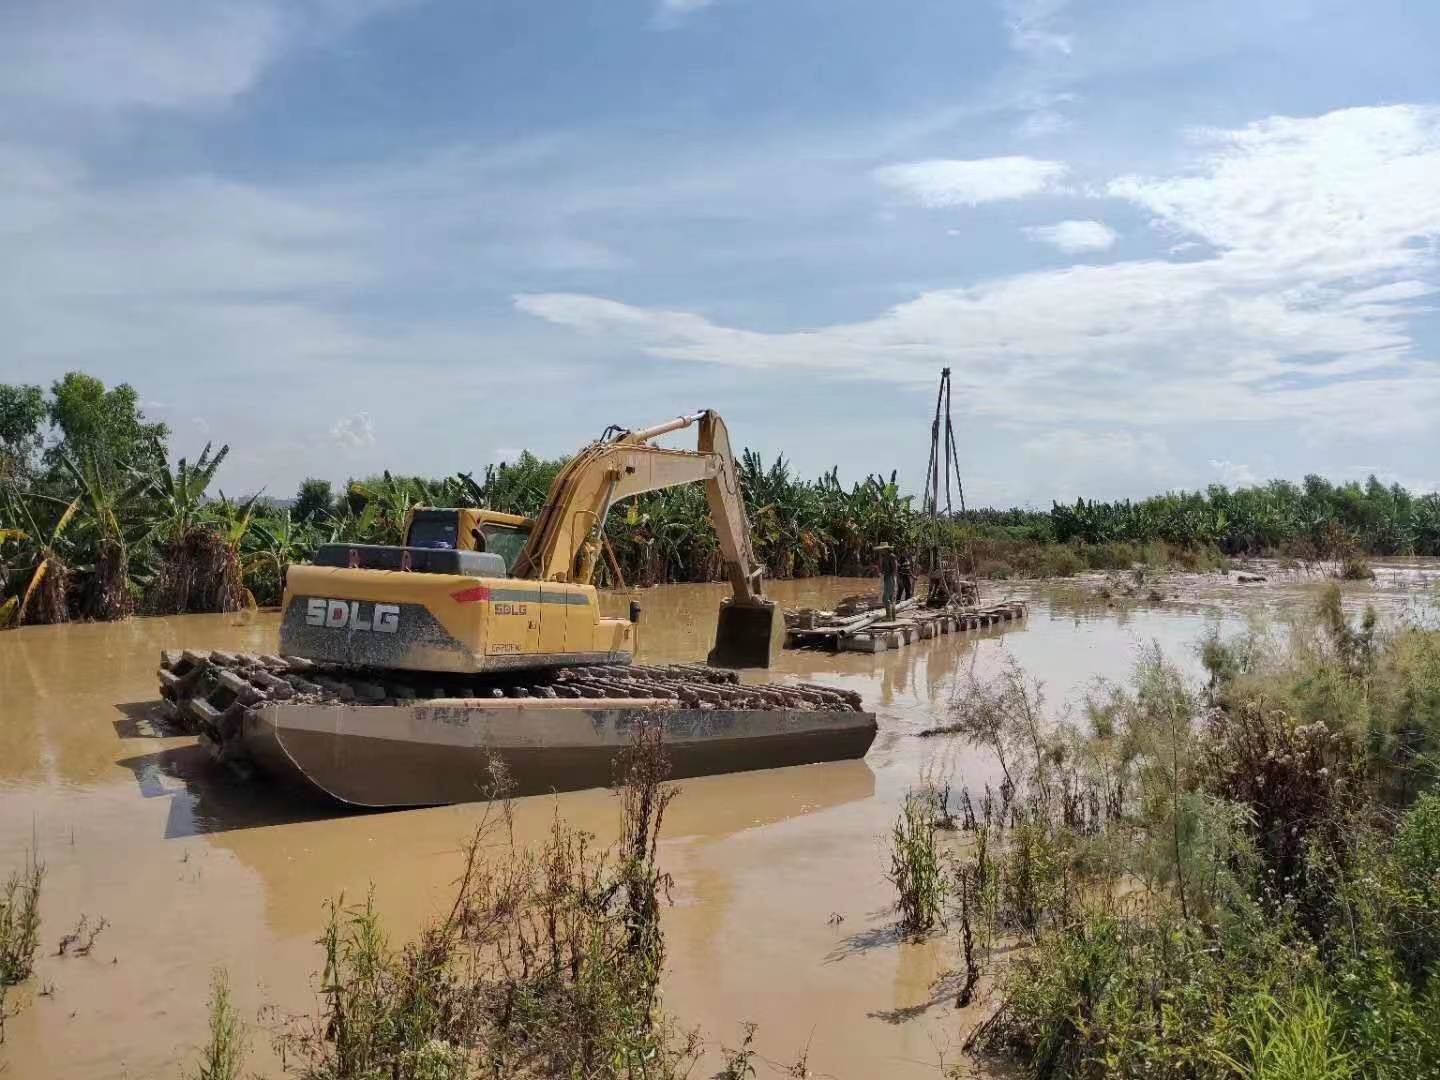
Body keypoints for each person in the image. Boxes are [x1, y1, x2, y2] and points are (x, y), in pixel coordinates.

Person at [877, 543, 897, 620]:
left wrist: (893, 579)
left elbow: (895, 569)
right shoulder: (885, 557)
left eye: (882, 549)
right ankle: (893, 617)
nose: (881, 551)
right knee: (890, 598)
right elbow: (884, 570)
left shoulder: (892, 556)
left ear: (885, 549)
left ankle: (889, 616)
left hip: (890, 578)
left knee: (885, 598)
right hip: (887, 578)